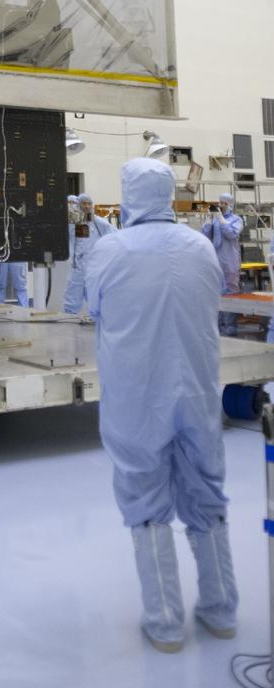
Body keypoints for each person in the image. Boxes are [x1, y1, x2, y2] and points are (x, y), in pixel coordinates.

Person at [86, 157, 238, 653]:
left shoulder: (110, 250)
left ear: (129, 194)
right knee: (207, 493)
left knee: (146, 501)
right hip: (196, 389)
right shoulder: (199, 247)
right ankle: (221, 612)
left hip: (137, 395)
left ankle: (166, 624)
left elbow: (95, 309)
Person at [63, 192, 115, 314]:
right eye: (83, 204)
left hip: (94, 268)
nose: (87, 206)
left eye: (89, 203)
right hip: (77, 268)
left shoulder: (99, 223)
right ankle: (69, 319)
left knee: (95, 298)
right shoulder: (73, 223)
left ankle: (97, 320)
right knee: (72, 298)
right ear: (78, 205)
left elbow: (114, 236)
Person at [201, 193, 243, 336]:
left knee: (231, 293)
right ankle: (216, 327)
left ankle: (230, 327)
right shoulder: (214, 219)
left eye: (224, 203)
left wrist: (221, 219)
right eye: (220, 202)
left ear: (230, 204)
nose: (221, 205)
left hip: (230, 261)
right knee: (215, 292)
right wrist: (209, 220)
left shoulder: (237, 219)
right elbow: (204, 236)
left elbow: (232, 234)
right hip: (215, 260)